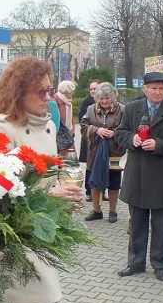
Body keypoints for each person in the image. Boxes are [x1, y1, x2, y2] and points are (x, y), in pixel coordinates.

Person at [0, 56, 82, 303]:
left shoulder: (49, 125)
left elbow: (49, 175)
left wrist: (62, 197)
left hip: (39, 235)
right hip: (13, 239)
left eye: (50, 89)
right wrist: (50, 192)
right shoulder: (1, 129)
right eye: (40, 91)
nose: (47, 97)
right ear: (18, 92)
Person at [115, 72, 163, 282]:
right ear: (144, 89)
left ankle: (160, 264)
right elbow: (120, 133)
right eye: (153, 88)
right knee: (137, 223)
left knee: (161, 224)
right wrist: (132, 139)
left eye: (162, 89)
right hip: (136, 175)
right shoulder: (131, 109)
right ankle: (135, 263)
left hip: (162, 176)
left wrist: (159, 145)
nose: (158, 92)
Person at [80, 82, 125, 223]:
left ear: (112, 97)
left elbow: (127, 128)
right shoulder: (91, 109)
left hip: (114, 151)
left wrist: (114, 133)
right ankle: (96, 210)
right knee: (94, 180)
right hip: (95, 151)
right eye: (101, 98)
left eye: (107, 98)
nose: (104, 101)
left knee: (114, 181)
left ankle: (113, 211)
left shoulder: (122, 109)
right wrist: (96, 130)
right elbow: (83, 126)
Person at [78, 79, 101, 201]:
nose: (92, 91)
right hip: (89, 137)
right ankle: (89, 190)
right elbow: (82, 119)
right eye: (91, 89)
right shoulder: (86, 102)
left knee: (101, 163)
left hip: (102, 138)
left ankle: (100, 190)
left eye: (95, 88)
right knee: (89, 164)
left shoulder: (106, 101)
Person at [53, 80, 77, 155]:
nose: (73, 93)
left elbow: (72, 119)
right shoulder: (55, 102)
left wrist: (72, 132)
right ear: (66, 92)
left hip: (68, 137)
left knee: (71, 160)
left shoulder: (68, 102)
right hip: (60, 138)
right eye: (71, 92)